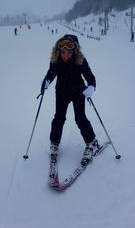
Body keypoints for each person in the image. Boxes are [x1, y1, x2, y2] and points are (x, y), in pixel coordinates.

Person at [41, 34, 101, 165]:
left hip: (78, 91)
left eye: (69, 51)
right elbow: (51, 73)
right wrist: (46, 82)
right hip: (62, 92)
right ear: (59, 51)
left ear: (74, 50)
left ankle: (91, 142)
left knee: (80, 118)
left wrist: (91, 86)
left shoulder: (80, 60)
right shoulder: (55, 60)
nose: (66, 54)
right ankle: (55, 142)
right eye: (63, 51)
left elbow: (90, 77)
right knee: (59, 117)